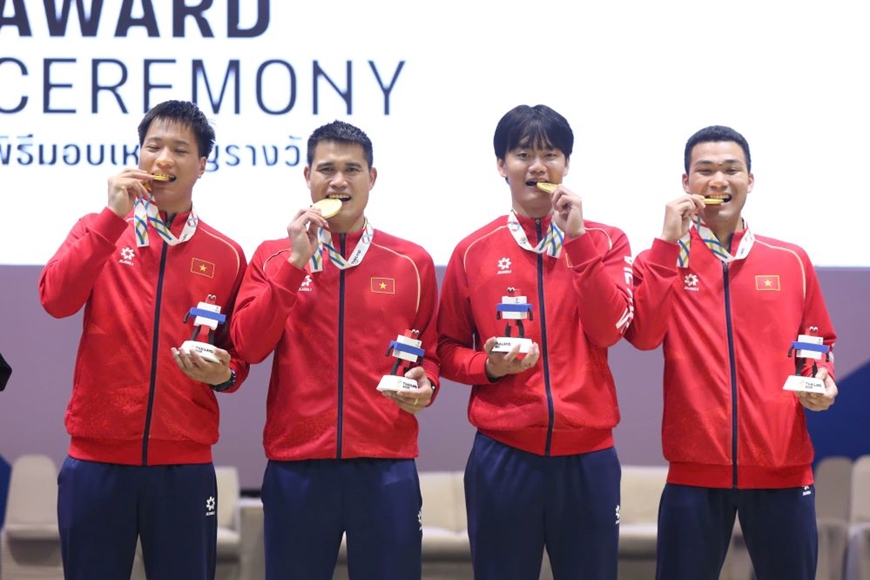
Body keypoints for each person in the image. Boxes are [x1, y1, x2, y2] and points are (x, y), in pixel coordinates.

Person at [38, 100, 249, 580]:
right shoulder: (97, 229)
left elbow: (237, 358)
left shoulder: (228, 254)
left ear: (202, 165)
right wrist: (111, 218)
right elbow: (55, 300)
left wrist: (226, 374)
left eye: (180, 149)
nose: (163, 159)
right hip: (96, 462)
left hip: (185, 468)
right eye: (153, 146)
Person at [229, 120, 440, 580]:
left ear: (372, 178)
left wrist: (428, 383)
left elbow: (429, 354)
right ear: (308, 177)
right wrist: (295, 263)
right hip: (297, 466)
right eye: (326, 169)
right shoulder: (272, 256)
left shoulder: (412, 262)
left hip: (386, 466)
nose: (338, 181)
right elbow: (248, 345)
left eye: (352, 169)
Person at [626, 125, 838, 580]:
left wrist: (821, 379)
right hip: (694, 472)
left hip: (782, 469)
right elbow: (642, 336)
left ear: (750, 180)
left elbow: (816, 342)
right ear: (686, 182)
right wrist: (667, 245)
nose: (718, 180)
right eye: (705, 170)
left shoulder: (791, 260)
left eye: (731, 169)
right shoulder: (659, 260)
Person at [437, 104, 635, 580]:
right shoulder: (471, 251)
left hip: (587, 456)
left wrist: (578, 240)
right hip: (503, 455)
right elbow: (445, 349)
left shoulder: (606, 241)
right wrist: (488, 368)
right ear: (501, 165)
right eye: (523, 154)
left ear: (567, 165)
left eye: (550, 155)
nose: (538, 167)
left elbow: (609, 329)